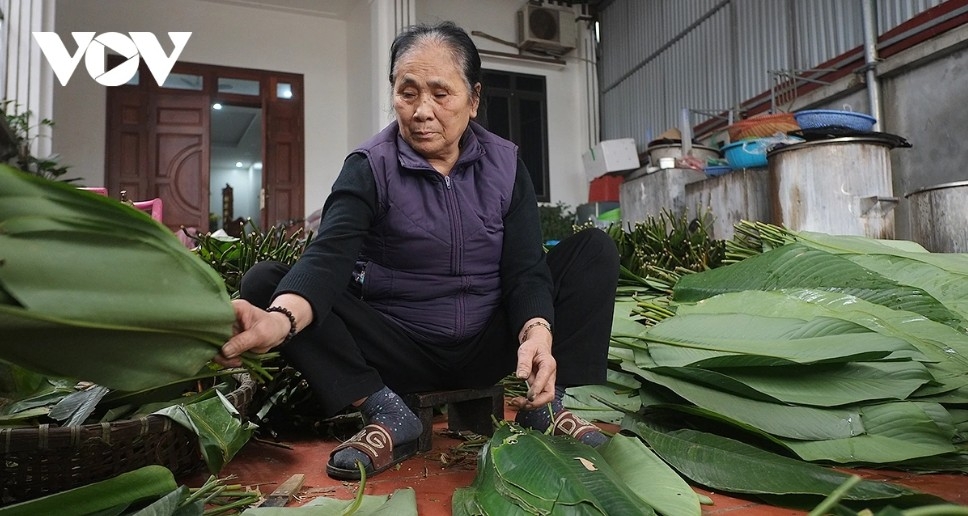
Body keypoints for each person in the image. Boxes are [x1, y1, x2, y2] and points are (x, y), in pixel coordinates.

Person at [217, 20, 619, 481]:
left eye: (440, 94)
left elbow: (526, 269)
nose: (422, 110)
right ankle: (387, 413)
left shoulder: (506, 165)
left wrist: (537, 333)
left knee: (594, 249)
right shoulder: (369, 167)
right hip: (396, 350)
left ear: (473, 99)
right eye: (407, 92)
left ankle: (546, 407)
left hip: (489, 342)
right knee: (267, 282)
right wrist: (279, 320)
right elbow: (326, 260)